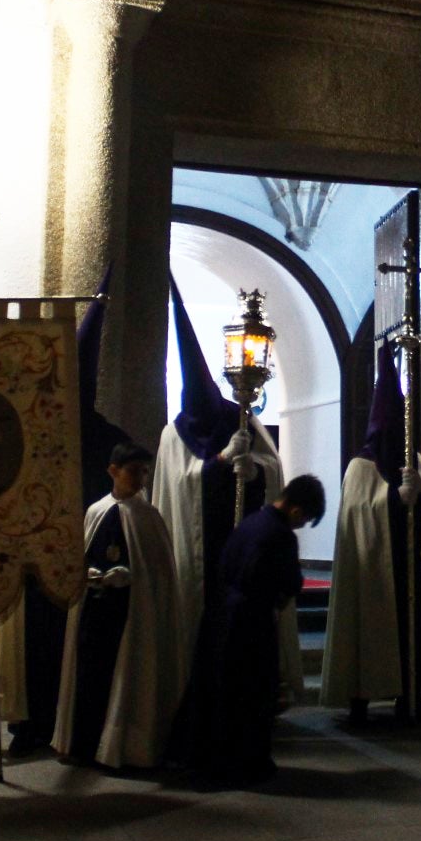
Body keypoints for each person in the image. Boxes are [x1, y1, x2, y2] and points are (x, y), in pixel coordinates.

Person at [153, 279, 287, 678]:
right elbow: (177, 488)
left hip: (240, 545)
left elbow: (274, 470)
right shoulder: (173, 434)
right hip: (199, 550)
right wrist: (221, 461)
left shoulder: (240, 418)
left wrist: (256, 472)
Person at [320, 351, 421, 724]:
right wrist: (396, 498)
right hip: (375, 569)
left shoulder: (411, 460)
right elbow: (361, 513)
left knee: (413, 631)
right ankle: (360, 697)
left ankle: (410, 695)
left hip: (409, 560)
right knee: (370, 631)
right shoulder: (360, 466)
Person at [52, 442, 183, 768]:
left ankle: (121, 747)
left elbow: (158, 575)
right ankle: (83, 745)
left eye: (143, 471)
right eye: (133, 471)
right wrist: (92, 575)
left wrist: (130, 577)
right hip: (93, 614)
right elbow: (79, 561)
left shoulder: (148, 518)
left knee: (127, 677)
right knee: (89, 676)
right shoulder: (95, 512)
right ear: (113, 471)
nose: (140, 478)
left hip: (132, 615)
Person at [193, 475, 324, 783]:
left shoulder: (250, 523)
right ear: (296, 510)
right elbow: (290, 581)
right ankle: (248, 763)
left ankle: (220, 760)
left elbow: (225, 565)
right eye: (304, 520)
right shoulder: (280, 535)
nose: (300, 526)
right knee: (253, 694)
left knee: (227, 692)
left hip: (223, 616)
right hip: (252, 623)